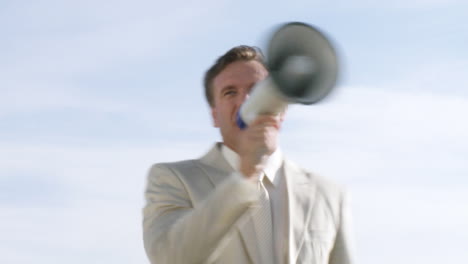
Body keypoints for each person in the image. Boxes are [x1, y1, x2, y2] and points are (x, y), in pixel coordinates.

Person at [143, 45, 354, 264]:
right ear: (215, 115)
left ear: (281, 108)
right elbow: (168, 257)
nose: (245, 101)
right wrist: (246, 176)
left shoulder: (328, 194)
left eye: (257, 90)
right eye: (230, 92)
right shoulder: (174, 179)